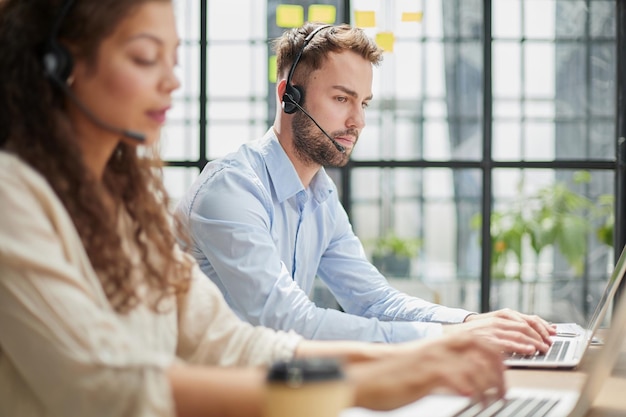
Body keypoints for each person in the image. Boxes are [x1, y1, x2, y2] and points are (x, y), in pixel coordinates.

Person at [0, 1, 507, 416]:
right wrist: (361, 383)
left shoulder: (129, 210)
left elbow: (236, 344)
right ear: (58, 67)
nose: (174, 82)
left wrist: (437, 346)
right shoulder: (12, 200)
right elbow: (113, 388)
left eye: (174, 59)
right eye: (143, 58)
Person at [175, 22, 557, 352]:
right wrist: (445, 339)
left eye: (364, 104)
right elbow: (287, 322)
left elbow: (373, 301)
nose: (357, 121)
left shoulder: (320, 196)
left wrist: (470, 323)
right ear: (288, 98)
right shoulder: (232, 190)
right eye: (342, 98)